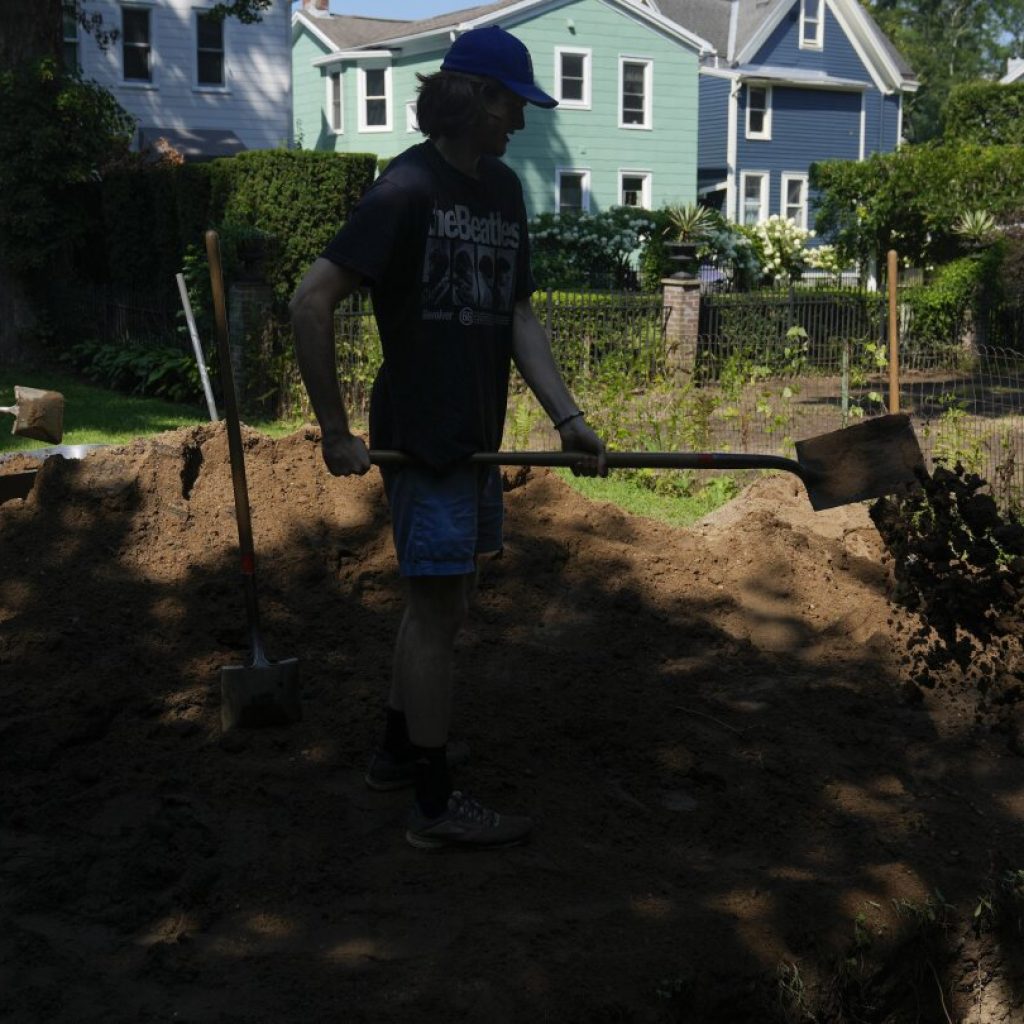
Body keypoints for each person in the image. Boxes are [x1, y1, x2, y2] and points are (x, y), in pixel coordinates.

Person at [290, 25, 606, 851]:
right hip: (422, 436)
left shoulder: (501, 191)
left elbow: (518, 315)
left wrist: (568, 421)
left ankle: (399, 752)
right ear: (473, 99)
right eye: (512, 105)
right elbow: (310, 301)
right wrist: (334, 430)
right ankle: (433, 805)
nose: (523, 123)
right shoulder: (407, 188)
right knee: (434, 612)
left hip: (477, 437)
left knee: (448, 601)